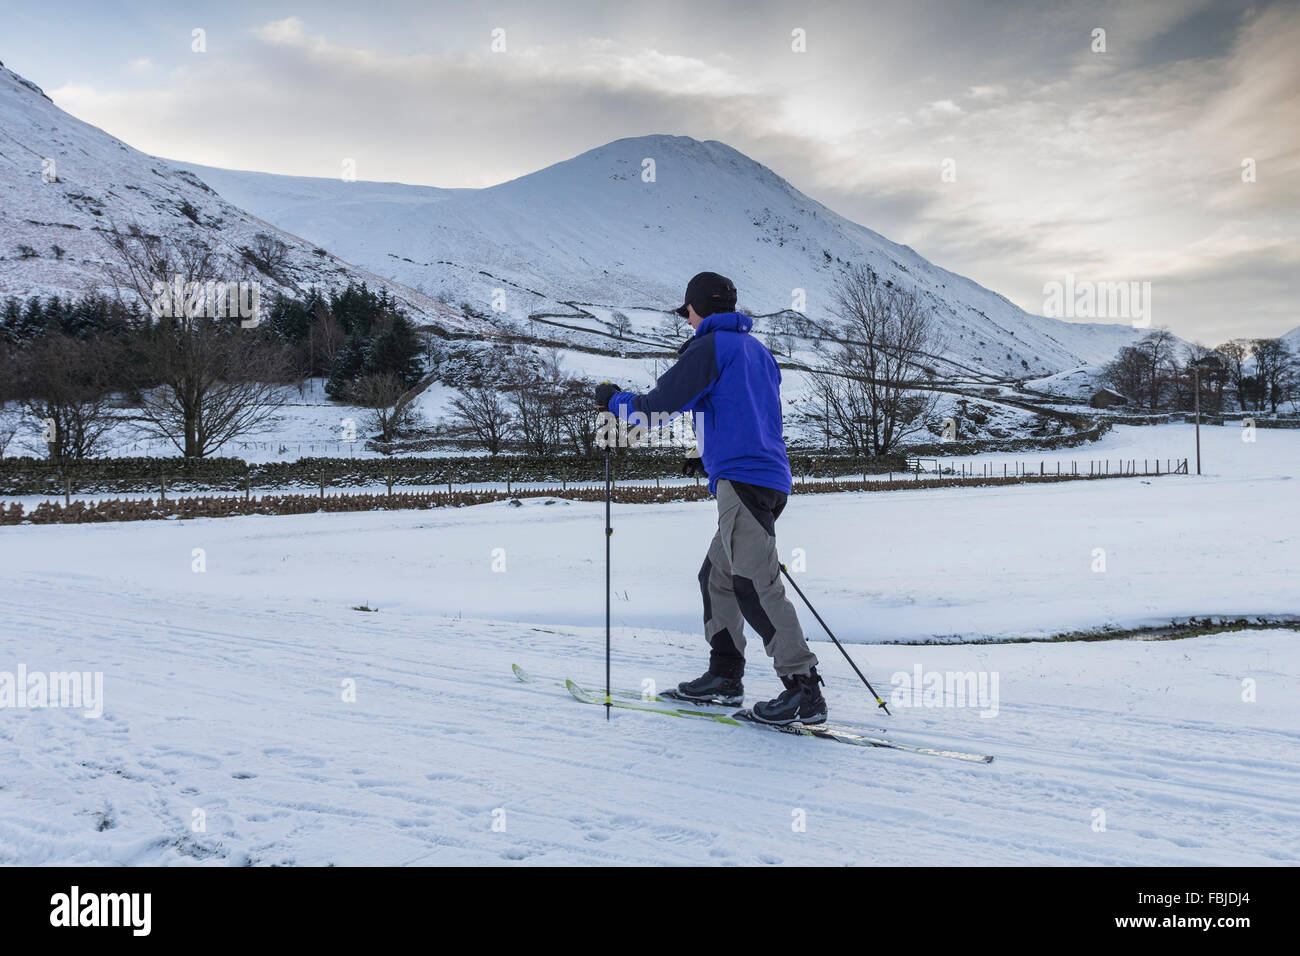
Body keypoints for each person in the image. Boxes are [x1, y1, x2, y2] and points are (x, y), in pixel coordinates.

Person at [594, 271, 827, 725]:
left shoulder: (710, 346)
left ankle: (803, 688)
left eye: (686, 312)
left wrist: (610, 400)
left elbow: (652, 410)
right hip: (761, 475)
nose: (686, 321)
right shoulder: (757, 351)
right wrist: (709, 456)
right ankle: (724, 677)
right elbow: (747, 412)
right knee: (717, 578)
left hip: (743, 481)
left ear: (696, 309)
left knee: (754, 584)